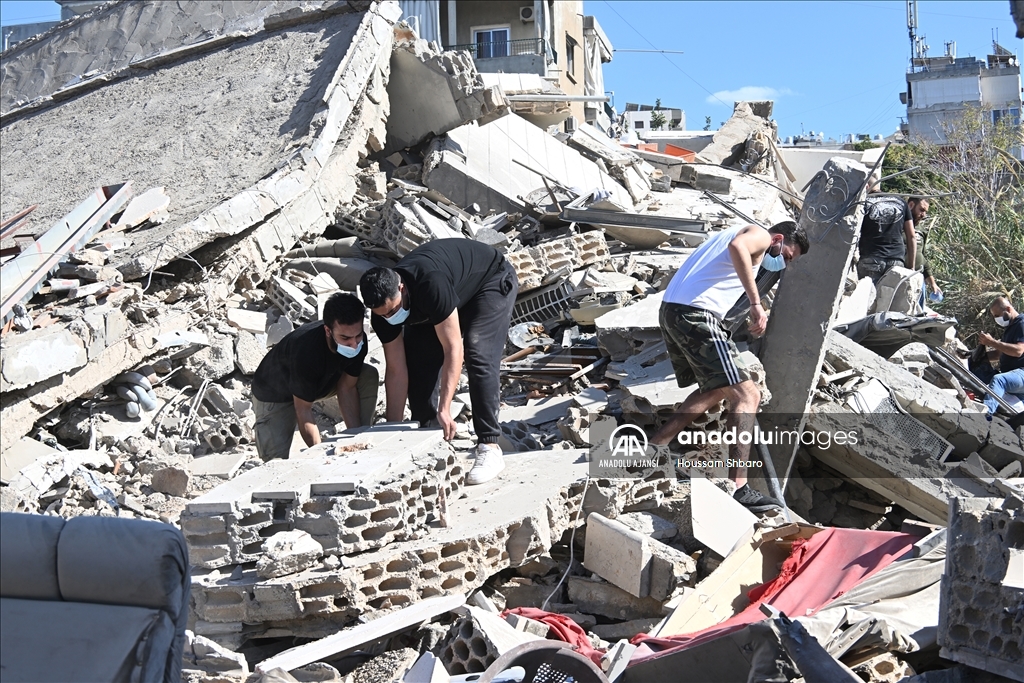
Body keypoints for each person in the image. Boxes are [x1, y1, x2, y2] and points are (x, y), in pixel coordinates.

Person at [650, 221, 810, 512]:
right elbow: (738, 249)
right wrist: (755, 303)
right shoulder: (760, 235)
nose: (784, 264)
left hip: (674, 310)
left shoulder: (733, 232)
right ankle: (739, 487)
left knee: (714, 389)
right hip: (696, 313)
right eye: (786, 256)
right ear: (778, 238)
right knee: (748, 395)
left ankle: (655, 447)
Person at [359, 239, 518, 485]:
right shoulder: (383, 314)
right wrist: (391, 430)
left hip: (489, 282)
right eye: (383, 315)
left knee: (478, 354)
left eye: (393, 311)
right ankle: (431, 436)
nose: (390, 318)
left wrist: (445, 408)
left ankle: (489, 446)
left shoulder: (429, 283)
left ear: (401, 288)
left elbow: (454, 349)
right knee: (418, 363)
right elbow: (397, 370)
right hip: (441, 300)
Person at [251, 293, 378, 461]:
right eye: (345, 338)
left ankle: (363, 431)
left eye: (358, 335)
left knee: (367, 375)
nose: (354, 344)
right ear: (328, 330)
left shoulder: (358, 343)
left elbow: (347, 388)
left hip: (318, 382)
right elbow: (303, 409)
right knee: (275, 463)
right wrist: (321, 455)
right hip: (274, 393)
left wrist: (356, 440)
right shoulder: (306, 352)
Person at [856, 180, 929, 284]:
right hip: (896, 261)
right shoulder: (900, 202)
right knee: (889, 299)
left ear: (866, 186)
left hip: (871, 259)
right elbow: (912, 236)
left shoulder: (863, 203)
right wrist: (911, 268)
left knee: (867, 297)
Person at [978, 296, 1024, 415]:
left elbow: (1018, 351)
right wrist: (976, 354)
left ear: (1008, 309)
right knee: (982, 374)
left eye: (997, 315)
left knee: (999, 380)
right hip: (1014, 374)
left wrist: (991, 342)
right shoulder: (1011, 328)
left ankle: (984, 416)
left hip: (1021, 373)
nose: (996, 319)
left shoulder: (1021, 324)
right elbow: (999, 354)